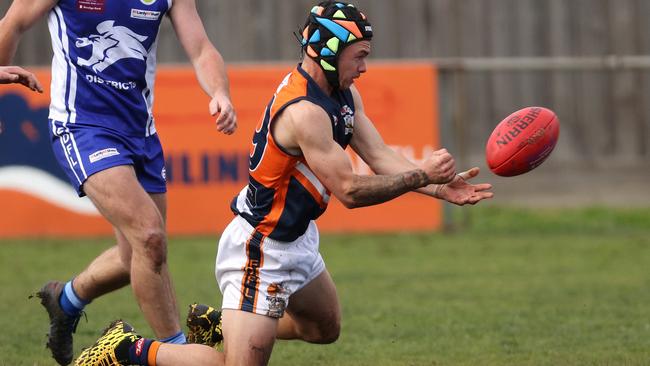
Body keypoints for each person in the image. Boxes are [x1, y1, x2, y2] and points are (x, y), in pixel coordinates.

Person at [74, 2, 492, 365]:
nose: (364, 67)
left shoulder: (342, 94)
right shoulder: (304, 111)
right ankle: (128, 349)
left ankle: (218, 323)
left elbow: (379, 155)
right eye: (359, 56)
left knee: (324, 328)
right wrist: (422, 175)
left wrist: (440, 188)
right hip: (261, 247)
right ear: (329, 50)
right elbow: (349, 191)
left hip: (296, 238)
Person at [0, 0, 236, 365]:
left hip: (141, 133)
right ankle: (177, 352)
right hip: (81, 127)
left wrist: (220, 92)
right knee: (150, 237)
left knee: (137, 256)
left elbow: (202, 48)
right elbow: (12, 22)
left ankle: (66, 300)